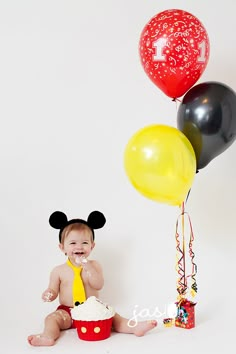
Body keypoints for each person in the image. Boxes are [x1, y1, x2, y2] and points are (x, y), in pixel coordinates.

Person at [28, 210, 157, 346]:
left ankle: (133, 327)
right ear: (62, 248)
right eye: (72, 243)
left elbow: (98, 285)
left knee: (113, 316)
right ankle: (48, 336)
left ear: (92, 246)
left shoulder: (94, 265)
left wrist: (88, 267)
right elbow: (53, 290)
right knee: (51, 319)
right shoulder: (58, 271)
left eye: (84, 242)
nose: (79, 247)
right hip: (68, 312)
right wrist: (49, 294)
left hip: (93, 309)